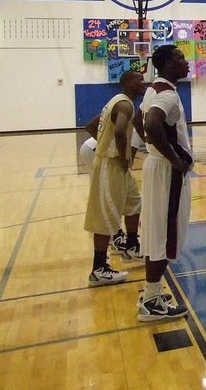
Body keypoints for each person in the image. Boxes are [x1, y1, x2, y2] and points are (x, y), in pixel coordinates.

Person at [138, 45, 192, 322]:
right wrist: (174, 159)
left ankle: (152, 292)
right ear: (168, 64)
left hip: (155, 167)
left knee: (156, 230)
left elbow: (138, 118)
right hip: (166, 172)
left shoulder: (153, 90)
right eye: (181, 57)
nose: (186, 61)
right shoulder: (167, 95)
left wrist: (151, 147)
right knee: (165, 233)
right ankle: (151, 302)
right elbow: (151, 124)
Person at [83, 70, 146, 286]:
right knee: (105, 218)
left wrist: (107, 142)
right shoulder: (125, 105)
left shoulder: (118, 102)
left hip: (117, 167)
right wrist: (120, 154)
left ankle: (131, 246)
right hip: (109, 166)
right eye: (139, 78)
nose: (143, 81)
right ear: (127, 82)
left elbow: (91, 126)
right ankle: (99, 269)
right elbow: (119, 131)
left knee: (134, 203)